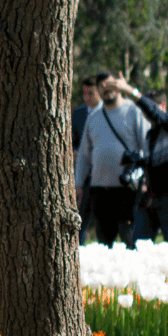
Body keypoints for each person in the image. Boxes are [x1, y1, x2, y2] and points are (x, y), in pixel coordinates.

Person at [106, 75, 168, 243]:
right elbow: (152, 163)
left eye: (150, 109)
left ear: (163, 106)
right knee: (139, 244)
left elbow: (157, 115)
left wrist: (129, 91)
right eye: (144, 112)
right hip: (151, 197)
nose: (147, 114)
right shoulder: (151, 135)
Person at [73, 72, 150, 247]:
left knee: (128, 237)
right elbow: (84, 154)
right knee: (104, 240)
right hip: (99, 189)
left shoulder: (133, 111)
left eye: (110, 84)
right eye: (101, 86)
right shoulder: (94, 117)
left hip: (127, 188)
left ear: (118, 85)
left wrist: (146, 179)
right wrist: (78, 183)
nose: (106, 89)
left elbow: (146, 146)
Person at [71, 77, 98, 240]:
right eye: (84, 93)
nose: (87, 97)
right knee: (80, 220)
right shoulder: (79, 113)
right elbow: (73, 140)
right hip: (84, 175)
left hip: (104, 175)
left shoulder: (105, 112)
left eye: (91, 93)